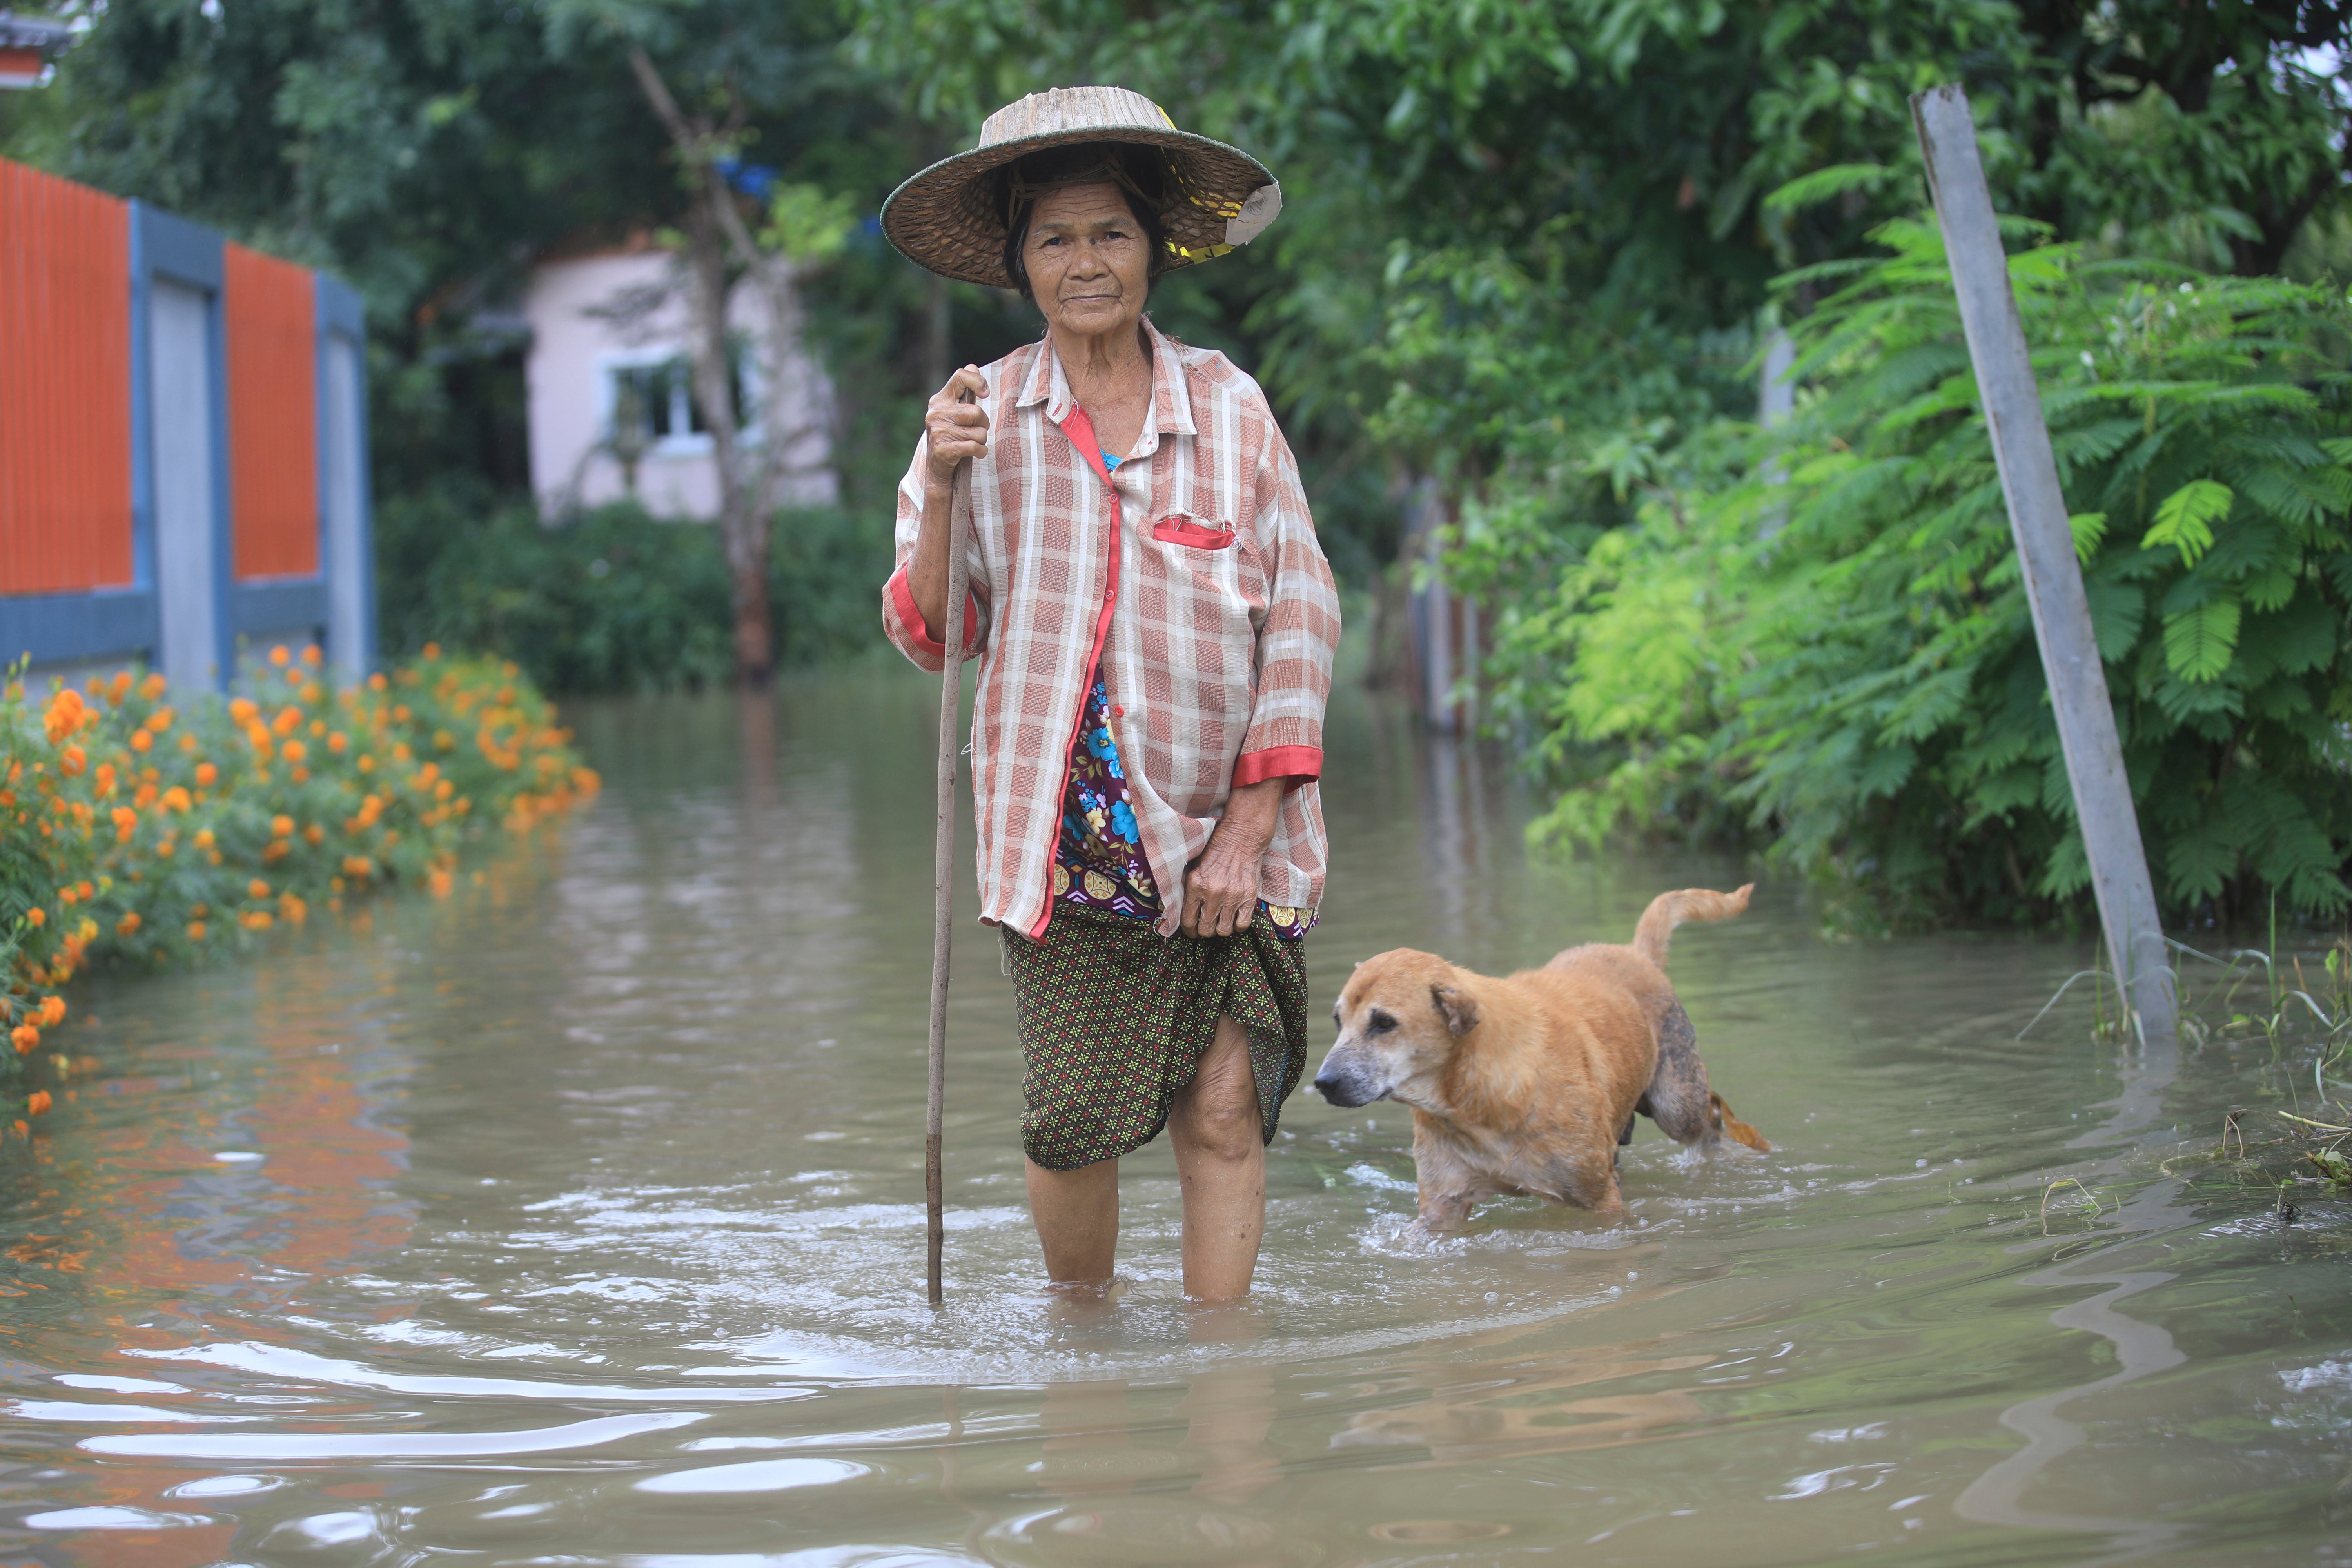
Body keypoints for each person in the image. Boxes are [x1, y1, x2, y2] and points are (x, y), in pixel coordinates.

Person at [879, 87, 1340, 1302]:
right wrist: (940, 474)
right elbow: (937, 633)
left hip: (1226, 829)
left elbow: (1302, 617)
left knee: (1225, 1113)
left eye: (1112, 234)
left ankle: (1221, 1387)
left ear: (1154, 248)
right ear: (1021, 262)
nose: (1086, 264)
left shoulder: (1229, 409)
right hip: (1064, 830)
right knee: (1074, 1125)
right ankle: (1085, 1358)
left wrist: (1248, 833)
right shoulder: (978, 417)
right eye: (1056, 239)